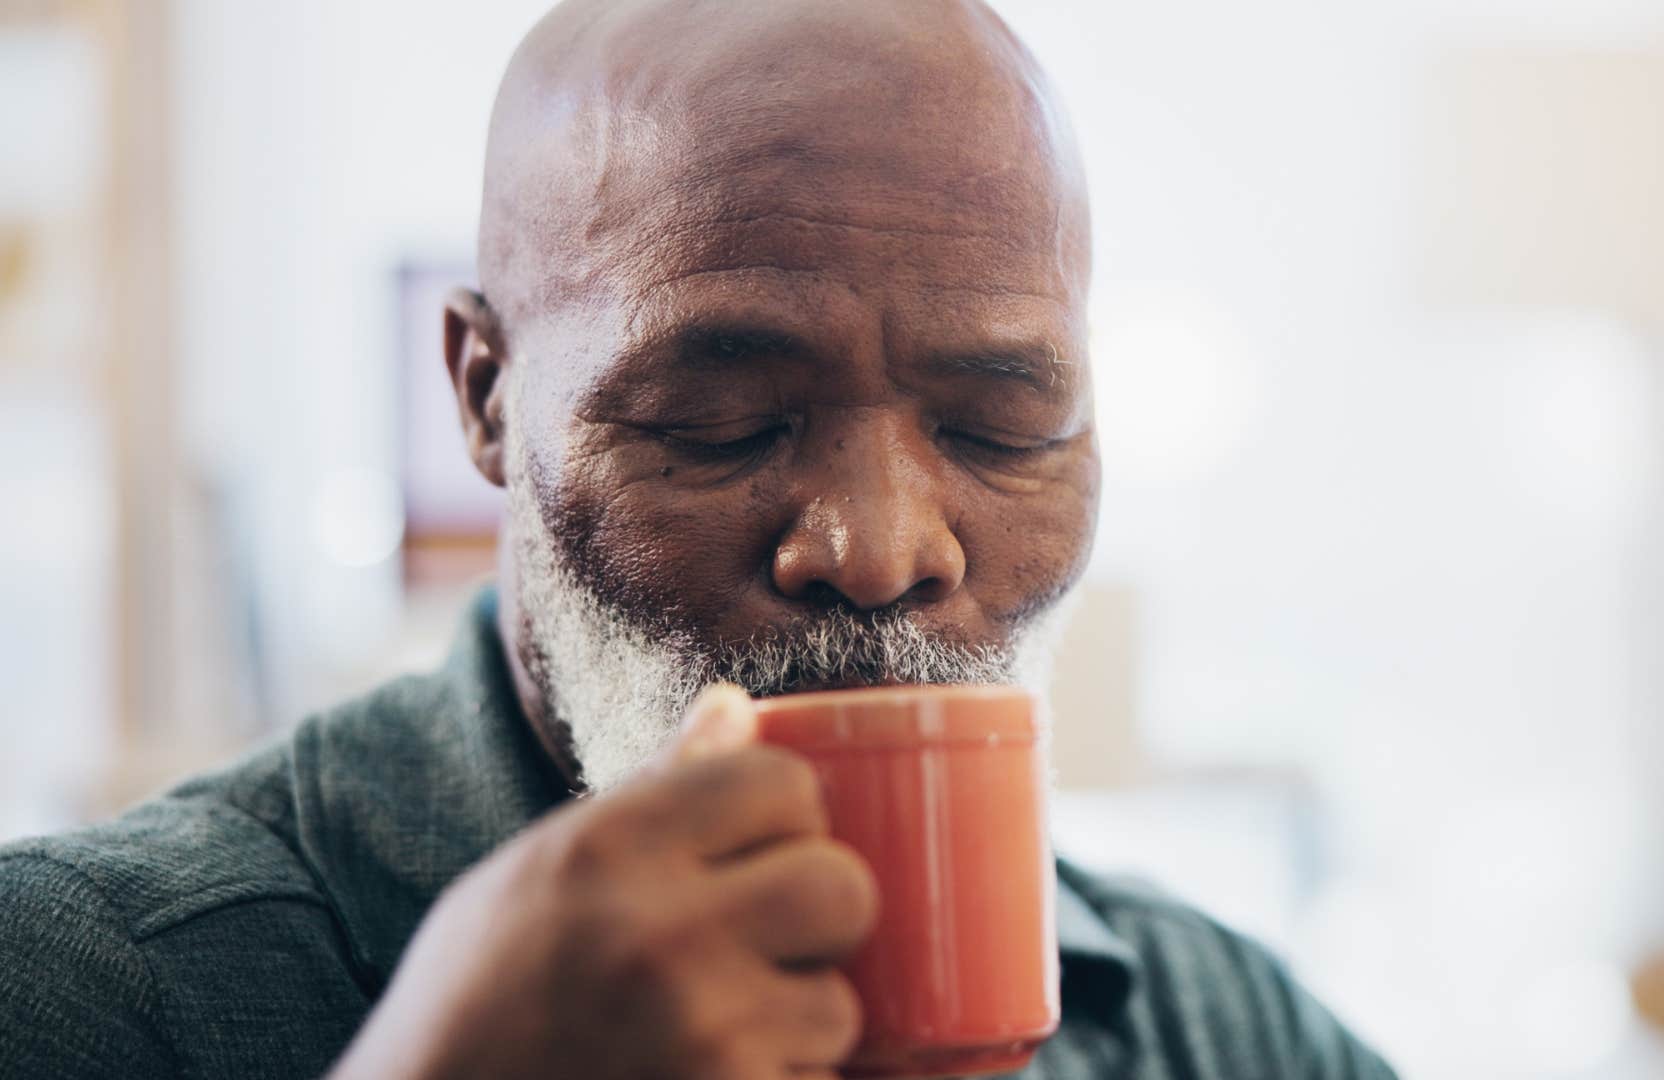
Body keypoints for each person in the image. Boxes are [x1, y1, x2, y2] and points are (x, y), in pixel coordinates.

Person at [0, 1, 1398, 1077]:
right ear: (487, 397)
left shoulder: (1226, 1027)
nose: (879, 546)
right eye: (721, 418)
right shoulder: (82, 989)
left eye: (999, 429)